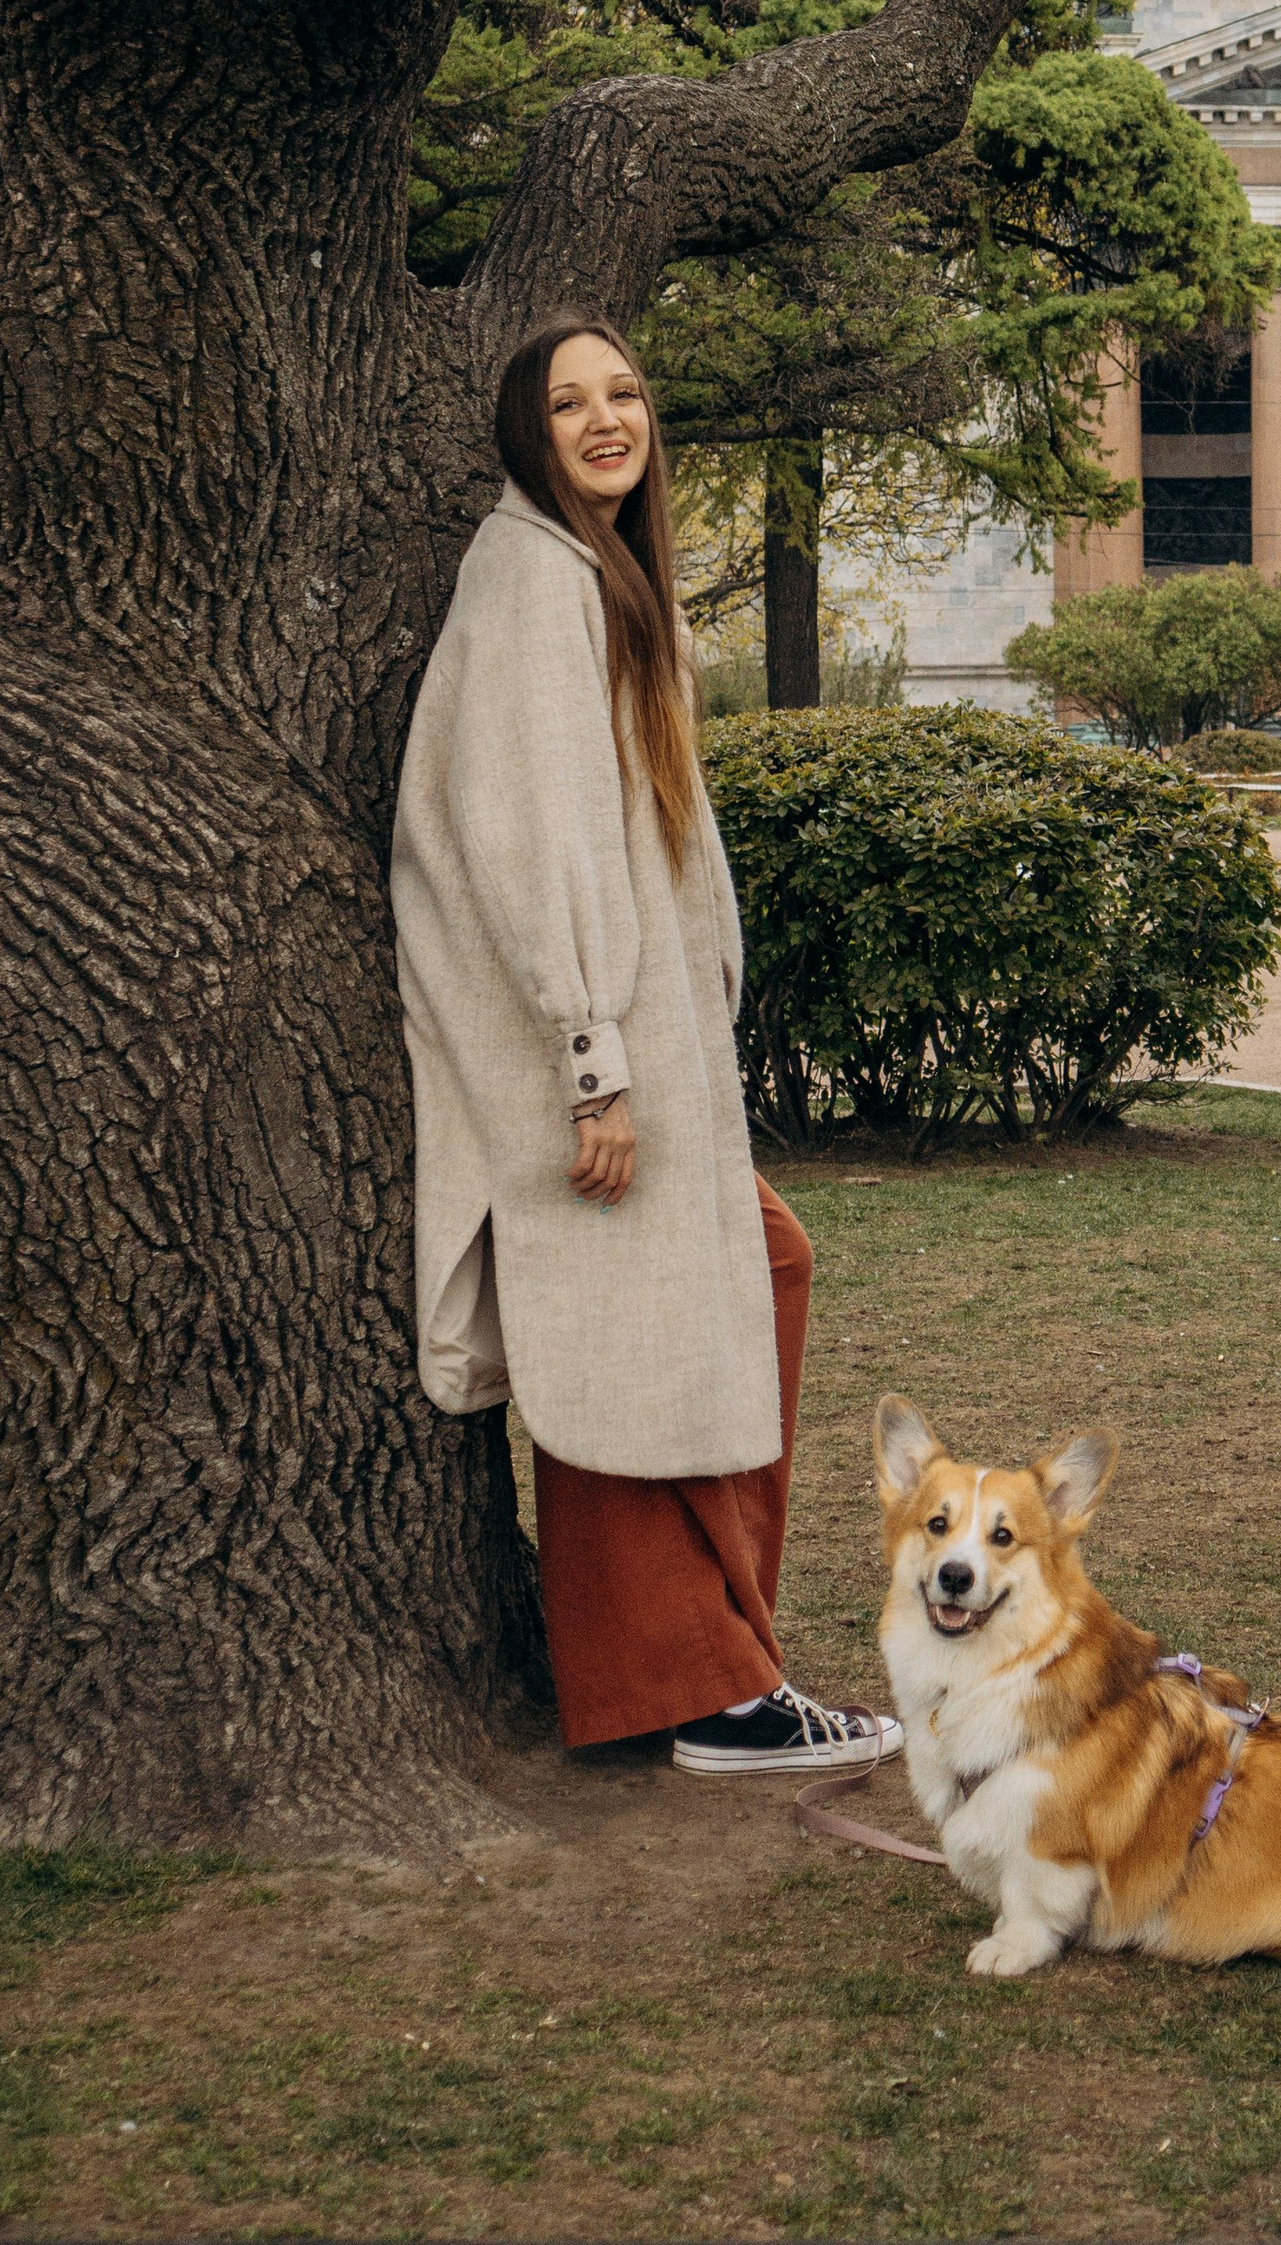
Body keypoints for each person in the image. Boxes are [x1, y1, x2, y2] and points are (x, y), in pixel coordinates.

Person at [391, 314, 900, 1778]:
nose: (606, 419)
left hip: (634, 1046)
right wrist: (589, 1059)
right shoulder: (537, 583)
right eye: (568, 402)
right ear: (523, 428)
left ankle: (687, 1679)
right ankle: (710, 1693)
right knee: (621, 1336)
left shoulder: (593, 574)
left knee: (692, 1306)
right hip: (584, 1061)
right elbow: (529, 835)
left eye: (624, 393)